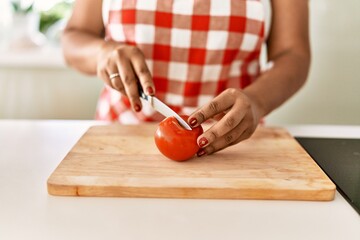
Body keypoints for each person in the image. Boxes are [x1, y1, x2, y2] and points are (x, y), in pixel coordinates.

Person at [62, 0, 310, 157]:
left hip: (235, 146)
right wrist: (102, 53)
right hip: (119, 139)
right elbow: (74, 37)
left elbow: (294, 54)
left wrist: (257, 100)